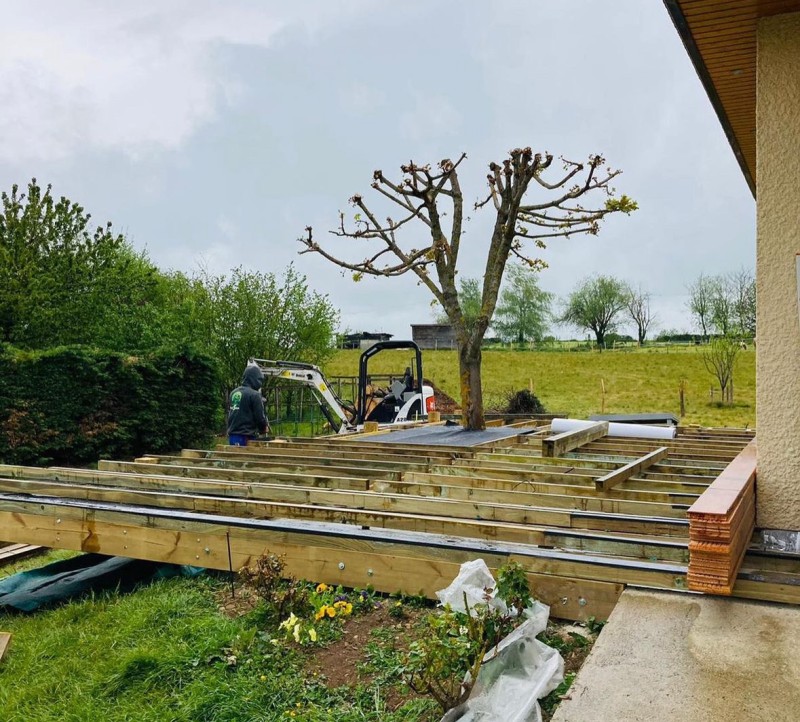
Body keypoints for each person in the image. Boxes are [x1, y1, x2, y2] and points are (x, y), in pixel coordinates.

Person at [227, 362, 269, 446]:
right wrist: (263, 428)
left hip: (232, 435)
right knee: (246, 458)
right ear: (255, 379)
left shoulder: (233, 393)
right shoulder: (255, 395)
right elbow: (259, 417)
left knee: (234, 458)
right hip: (246, 437)